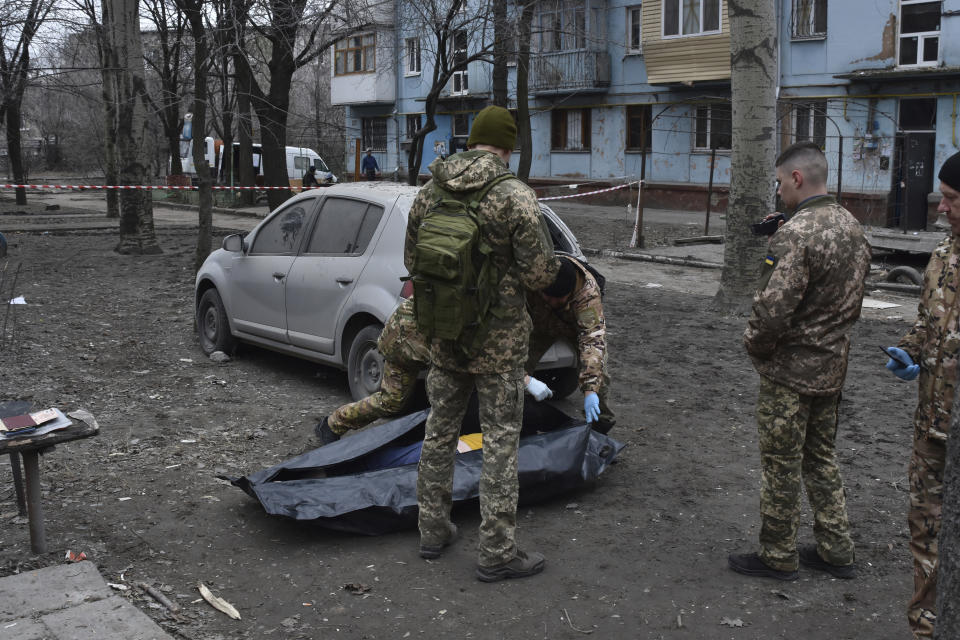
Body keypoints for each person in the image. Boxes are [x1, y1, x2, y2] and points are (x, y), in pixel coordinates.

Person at [404, 105, 558, 581]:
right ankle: (496, 552)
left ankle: (432, 530)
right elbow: (540, 274)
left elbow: (414, 260)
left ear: (471, 141)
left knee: (439, 432)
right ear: (507, 149)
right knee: (499, 443)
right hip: (500, 343)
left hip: (445, 335)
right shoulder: (515, 196)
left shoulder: (430, 190)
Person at [728, 141, 871, 582]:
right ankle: (836, 547)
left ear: (795, 178)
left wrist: (756, 349)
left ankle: (778, 554)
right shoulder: (852, 226)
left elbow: (772, 311)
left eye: (778, 184)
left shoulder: (795, 234)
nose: (777, 195)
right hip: (832, 367)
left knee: (781, 463)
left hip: (789, 373)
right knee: (821, 457)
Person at [883, 150, 960, 638]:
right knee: (925, 532)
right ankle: (925, 628)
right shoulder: (943, 255)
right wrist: (909, 351)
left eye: (952, 199)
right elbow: (926, 324)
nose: (942, 208)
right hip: (930, 428)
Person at [314, 298, 559, 445]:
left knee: (448, 399)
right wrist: (526, 380)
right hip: (407, 340)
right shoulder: (479, 301)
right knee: (395, 401)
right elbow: (485, 356)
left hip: (418, 337)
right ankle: (333, 424)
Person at [525, 255, 614, 433]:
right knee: (513, 371)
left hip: (575, 328)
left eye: (558, 299)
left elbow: (593, 341)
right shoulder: (532, 279)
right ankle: (518, 423)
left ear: (571, 291)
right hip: (538, 327)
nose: (551, 302)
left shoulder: (588, 295)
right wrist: (523, 378)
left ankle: (599, 433)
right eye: (546, 297)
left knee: (599, 381)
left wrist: (590, 390)